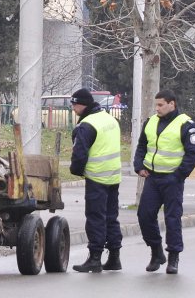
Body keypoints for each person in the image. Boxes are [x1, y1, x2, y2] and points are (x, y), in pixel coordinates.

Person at [134, 89, 195, 274]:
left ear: (172, 104)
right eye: (156, 105)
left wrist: (179, 175)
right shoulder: (150, 122)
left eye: (161, 105)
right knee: (144, 215)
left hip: (172, 179)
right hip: (153, 178)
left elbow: (193, 153)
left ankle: (173, 257)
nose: (157, 108)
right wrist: (139, 166)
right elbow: (142, 146)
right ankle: (156, 251)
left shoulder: (186, 124)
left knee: (172, 219)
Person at [69, 88, 123, 273]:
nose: (73, 109)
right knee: (111, 217)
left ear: (82, 104)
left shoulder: (86, 125)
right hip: (114, 177)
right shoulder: (109, 119)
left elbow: (79, 153)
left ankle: (95, 258)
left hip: (97, 177)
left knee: (95, 218)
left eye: (74, 105)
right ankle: (115, 257)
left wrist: (76, 171)